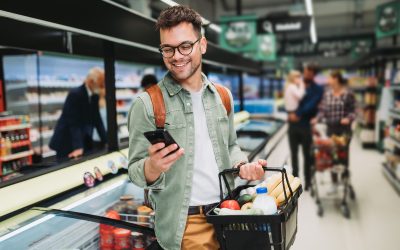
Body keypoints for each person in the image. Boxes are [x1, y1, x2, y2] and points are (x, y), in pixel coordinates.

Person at [127, 6, 266, 250]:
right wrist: (152, 166)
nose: (176, 56)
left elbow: (231, 145)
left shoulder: (223, 96)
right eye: (167, 49)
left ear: (202, 45)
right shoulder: (147, 104)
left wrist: (242, 166)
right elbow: (135, 171)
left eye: (184, 46)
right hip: (186, 225)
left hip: (229, 214)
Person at [49, 67, 107, 162]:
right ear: (91, 82)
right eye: (101, 85)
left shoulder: (94, 96)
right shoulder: (75, 94)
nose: (103, 88)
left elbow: (97, 120)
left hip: (83, 140)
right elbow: (73, 122)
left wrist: (106, 141)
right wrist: (78, 147)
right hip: (67, 140)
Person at [312, 71, 356, 191]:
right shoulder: (327, 93)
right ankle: (334, 183)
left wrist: (348, 118)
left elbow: (353, 111)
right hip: (331, 129)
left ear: (336, 78)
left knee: (343, 156)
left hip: (344, 130)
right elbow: (322, 110)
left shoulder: (348, 93)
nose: (327, 80)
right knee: (331, 156)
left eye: (329, 78)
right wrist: (317, 119)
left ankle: (345, 179)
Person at [288, 63, 323, 190]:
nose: (307, 74)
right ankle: (295, 182)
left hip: (305, 125)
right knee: (294, 155)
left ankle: (308, 181)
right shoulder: (296, 84)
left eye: (310, 72)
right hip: (293, 126)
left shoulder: (318, 89)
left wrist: (297, 113)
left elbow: (312, 104)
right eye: (306, 72)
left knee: (307, 155)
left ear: (314, 74)